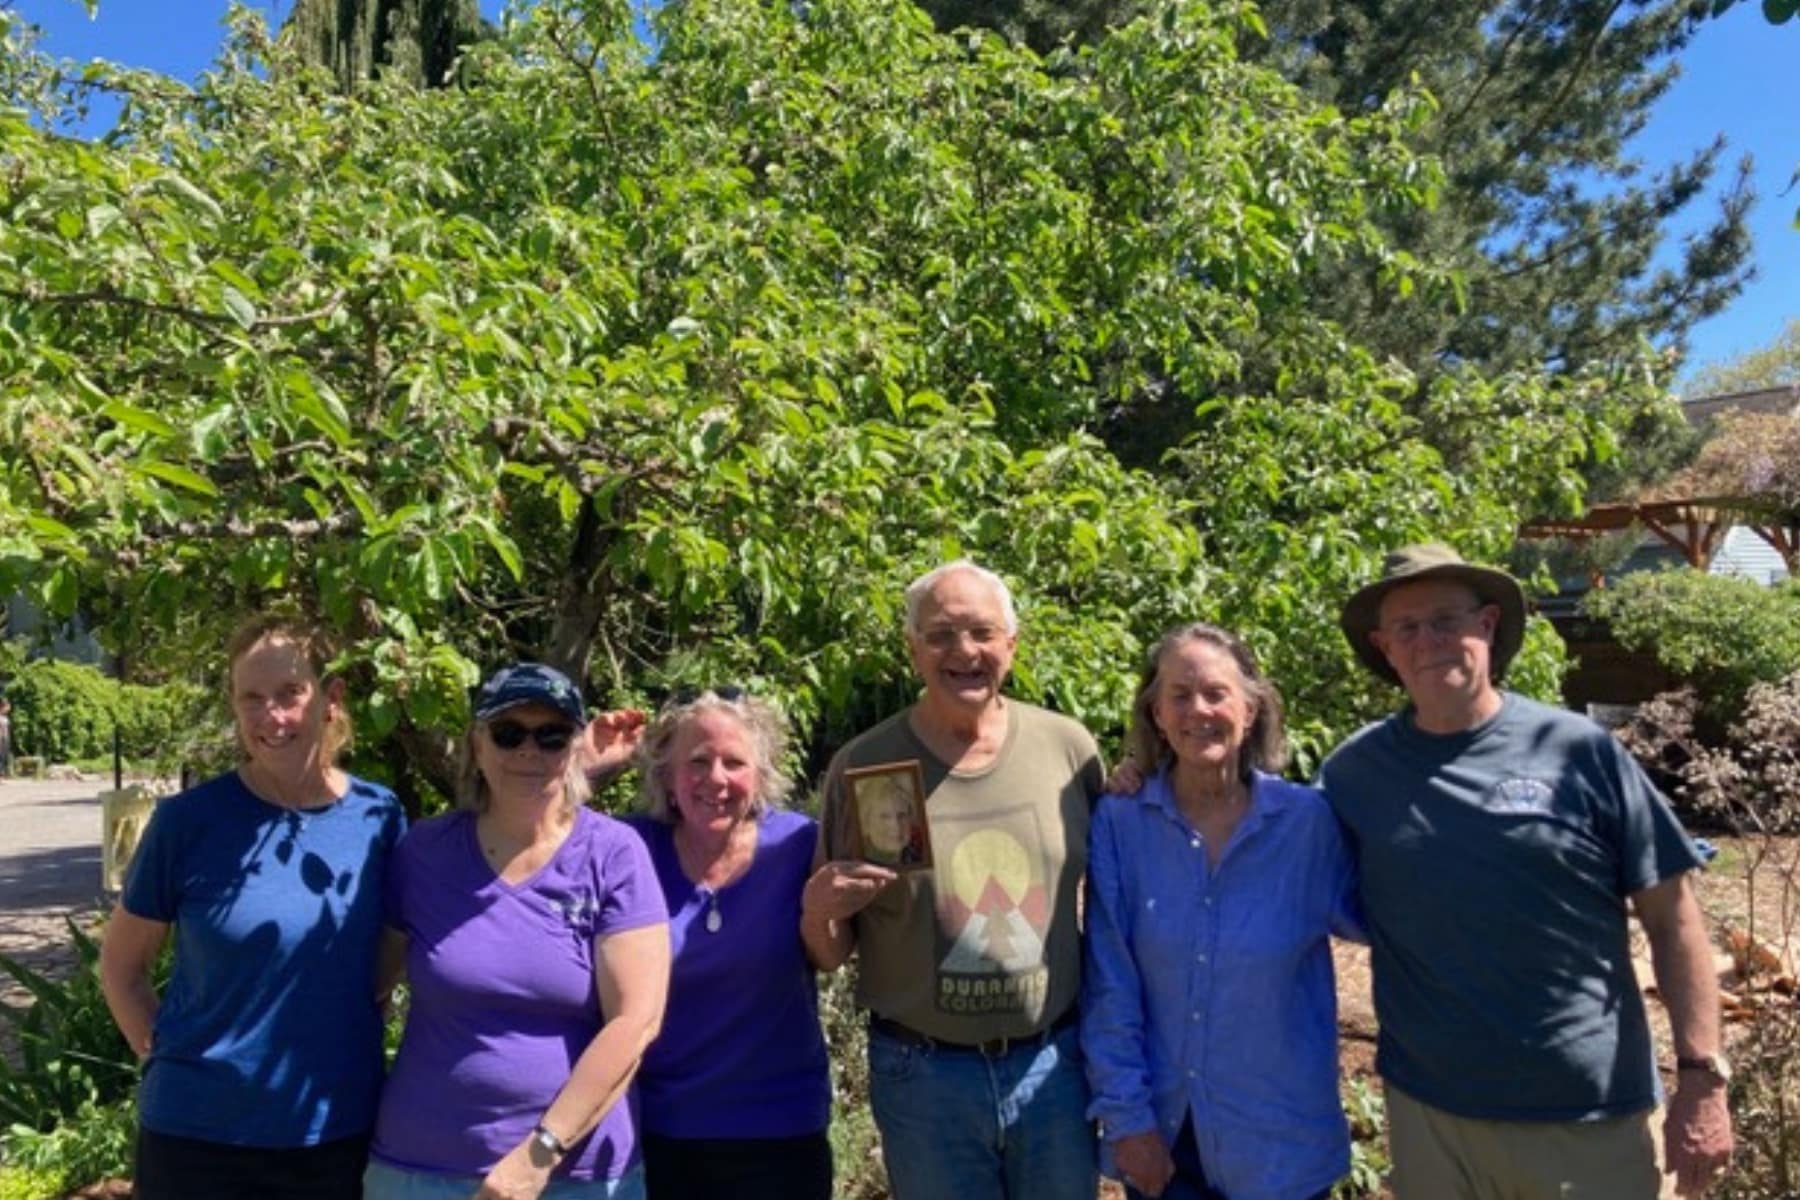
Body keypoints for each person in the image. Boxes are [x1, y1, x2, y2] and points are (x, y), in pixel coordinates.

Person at [1322, 543, 1734, 1199]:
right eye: (1407, 628)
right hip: (1429, 1115)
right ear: (1385, 647)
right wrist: (1146, 770)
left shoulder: (1579, 751)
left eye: (1447, 621)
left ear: (1487, 626)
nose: (1429, 641)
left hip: (1581, 1113)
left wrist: (1703, 1079)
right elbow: (1256, 831)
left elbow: (1674, 918)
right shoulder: (1353, 773)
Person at [802, 560, 1105, 1200]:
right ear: (913, 650)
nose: (963, 651)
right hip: (925, 1077)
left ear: (1012, 645)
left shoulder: (1068, 751)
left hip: (1053, 1067)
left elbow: (1117, 899)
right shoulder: (866, 766)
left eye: (982, 633)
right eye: (941, 635)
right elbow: (831, 952)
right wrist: (814, 914)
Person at [99, 615, 404, 1200]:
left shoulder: (378, 818)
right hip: (197, 1142)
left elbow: (386, 958)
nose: (273, 717)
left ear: (331, 699)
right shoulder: (187, 823)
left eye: (290, 694)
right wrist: (168, 1056)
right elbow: (121, 968)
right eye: (252, 699)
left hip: (332, 1131)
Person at [366, 662, 671, 1200]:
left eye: (551, 735)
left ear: (577, 749)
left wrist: (537, 1156)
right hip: (419, 1167)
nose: (529, 752)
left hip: (574, 1174)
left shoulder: (614, 855)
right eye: (508, 734)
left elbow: (635, 1022)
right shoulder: (423, 852)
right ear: (477, 746)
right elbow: (371, 989)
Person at [1084, 623, 1360, 1200]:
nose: (1198, 710)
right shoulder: (1121, 824)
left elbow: (1394, 922)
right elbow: (1110, 984)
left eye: (1216, 693)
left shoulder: (1309, 824)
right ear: (1156, 714)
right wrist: (1128, 1121)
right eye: (1179, 696)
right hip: (1165, 1141)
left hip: (1281, 1146)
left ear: (1252, 707)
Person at [621, 689, 832, 1200]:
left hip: (781, 1133)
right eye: (697, 761)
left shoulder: (800, 845)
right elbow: (543, 833)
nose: (716, 779)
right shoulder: (627, 850)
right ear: (666, 774)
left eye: (734, 762)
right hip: (658, 1134)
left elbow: (833, 952)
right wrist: (589, 761)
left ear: (759, 776)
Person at [855, 772, 925, 867]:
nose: (896, 826)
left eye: (902, 815)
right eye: (884, 817)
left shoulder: (918, 854)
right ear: (866, 823)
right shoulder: (855, 862)